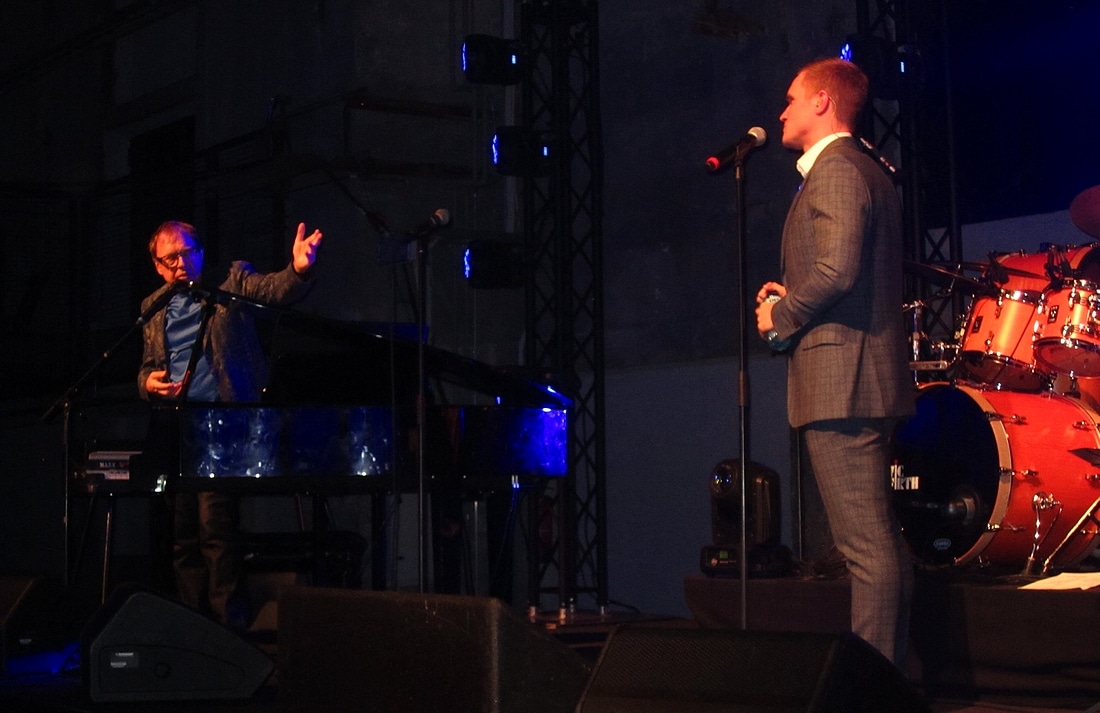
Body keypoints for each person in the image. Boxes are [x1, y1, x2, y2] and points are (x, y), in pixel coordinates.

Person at [753, 57, 915, 667]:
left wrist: (782, 313)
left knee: (865, 548)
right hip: (855, 375)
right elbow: (843, 270)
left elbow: (839, 270)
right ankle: (889, 680)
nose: (782, 112)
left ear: (822, 102)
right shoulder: (859, 168)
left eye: (791, 99)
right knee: (877, 543)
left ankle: (873, 687)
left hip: (844, 381)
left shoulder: (839, 169)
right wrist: (791, 294)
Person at [138, 220, 323, 628]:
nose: (180, 263)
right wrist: (147, 384)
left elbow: (272, 291)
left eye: (187, 252)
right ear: (157, 265)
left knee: (216, 529)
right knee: (182, 534)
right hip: (176, 427)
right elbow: (147, 367)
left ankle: (229, 627)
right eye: (170, 258)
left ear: (201, 252)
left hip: (222, 423)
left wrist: (298, 270)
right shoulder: (153, 306)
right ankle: (192, 623)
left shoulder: (230, 282)